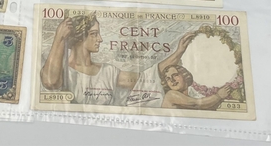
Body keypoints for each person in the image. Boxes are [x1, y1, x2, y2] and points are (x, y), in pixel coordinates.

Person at [40, 12, 196, 106]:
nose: (100, 39)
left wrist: (178, 52)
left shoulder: (108, 71)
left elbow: (146, 77)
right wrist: (59, 38)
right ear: (79, 38)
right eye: (94, 34)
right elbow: (50, 82)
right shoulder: (63, 72)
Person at [160, 64, 231, 110]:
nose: (172, 80)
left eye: (175, 75)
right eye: (168, 79)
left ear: (184, 75)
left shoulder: (193, 93)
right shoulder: (171, 95)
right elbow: (196, 104)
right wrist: (218, 96)